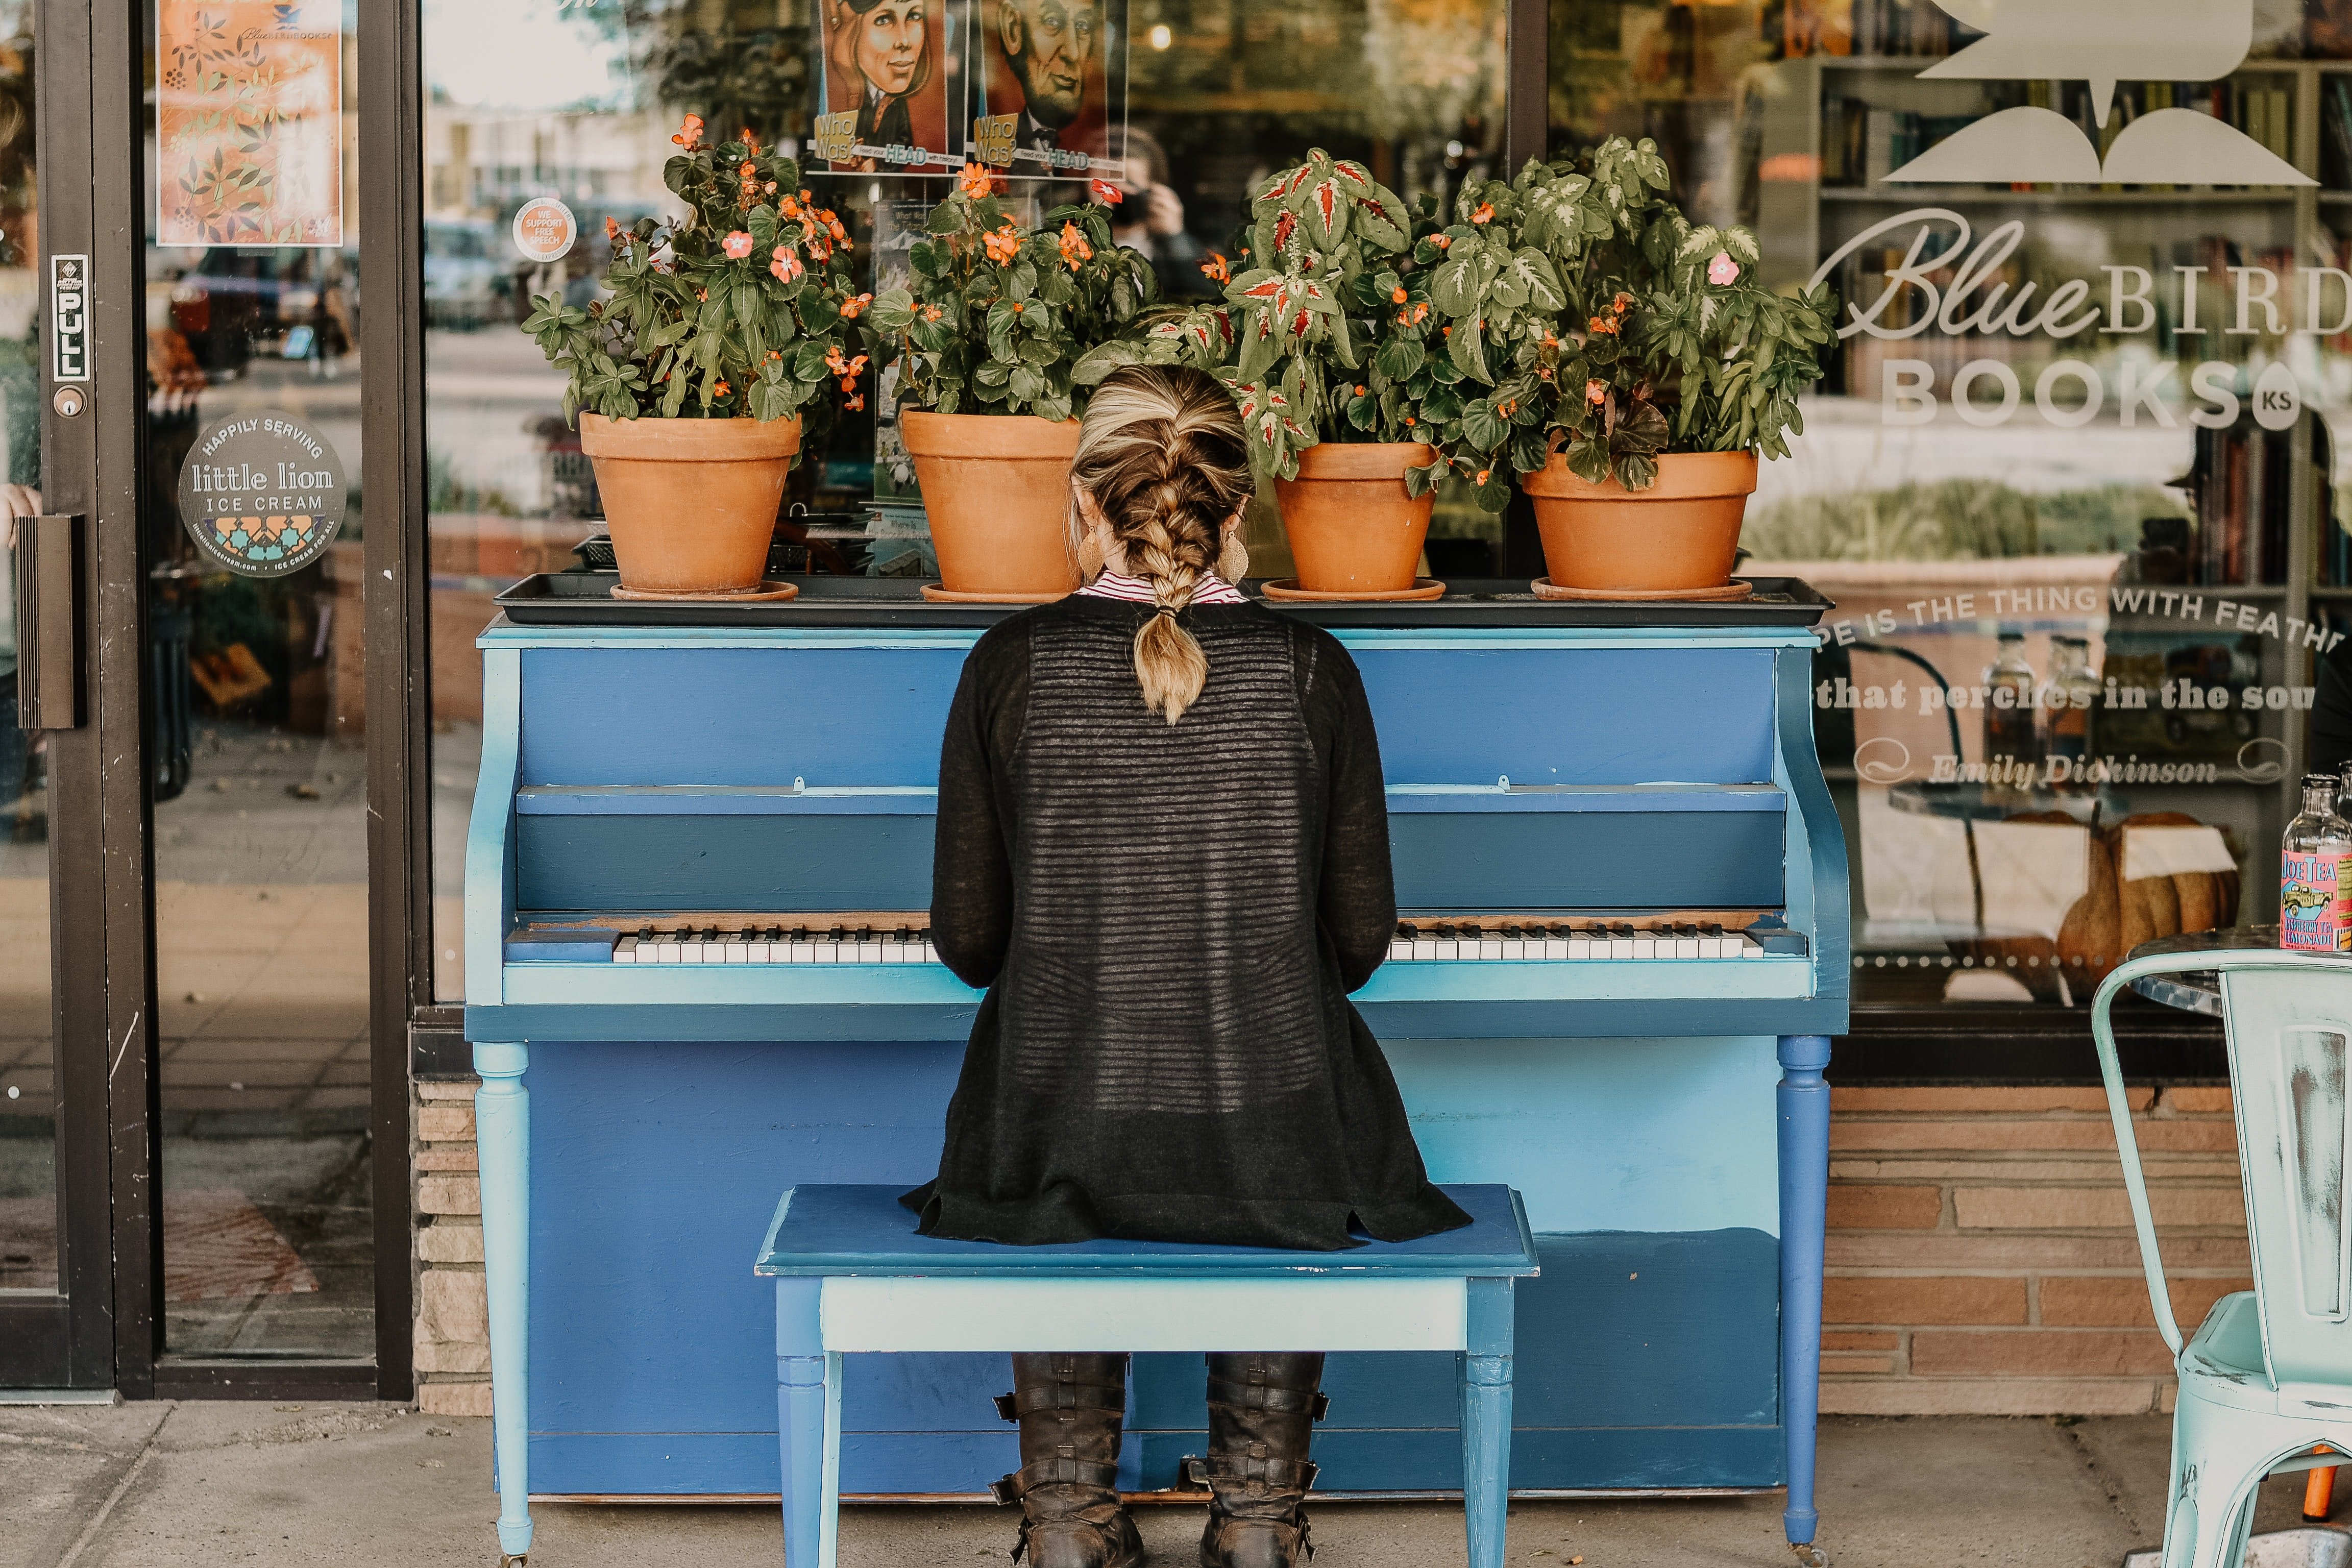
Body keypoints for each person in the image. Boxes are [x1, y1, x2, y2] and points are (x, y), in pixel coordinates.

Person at [903, 364, 1470, 1568]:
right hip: (1268, 1121)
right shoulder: (1311, 667)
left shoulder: (1010, 663)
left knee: (1054, 1119)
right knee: (1285, 1112)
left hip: (1058, 1122)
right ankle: (1260, 1521)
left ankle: (1067, 1521)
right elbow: (1358, 946)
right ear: (1236, 509)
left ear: (1085, 504)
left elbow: (970, 946)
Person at [1103, 127, 1212, 300]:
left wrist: (1174, 236)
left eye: (1129, 182)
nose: (1114, 192)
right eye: (1105, 181)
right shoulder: (1068, 234)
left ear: (1152, 191)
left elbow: (1203, 295)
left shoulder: (1163, 247)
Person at [826, 0, 930, 154]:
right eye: (883, 20)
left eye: (914, 16)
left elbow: (905, 144)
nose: (904, 41)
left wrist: (878, 162)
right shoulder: (849, 101)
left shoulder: (898, 104)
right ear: (851, 33)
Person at [994, 0, 1096, 157]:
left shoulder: (1096, 140)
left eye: (1083, 26)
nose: (1073, 53)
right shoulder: (994, 132)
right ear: (1013, 30)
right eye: (1052, 21)